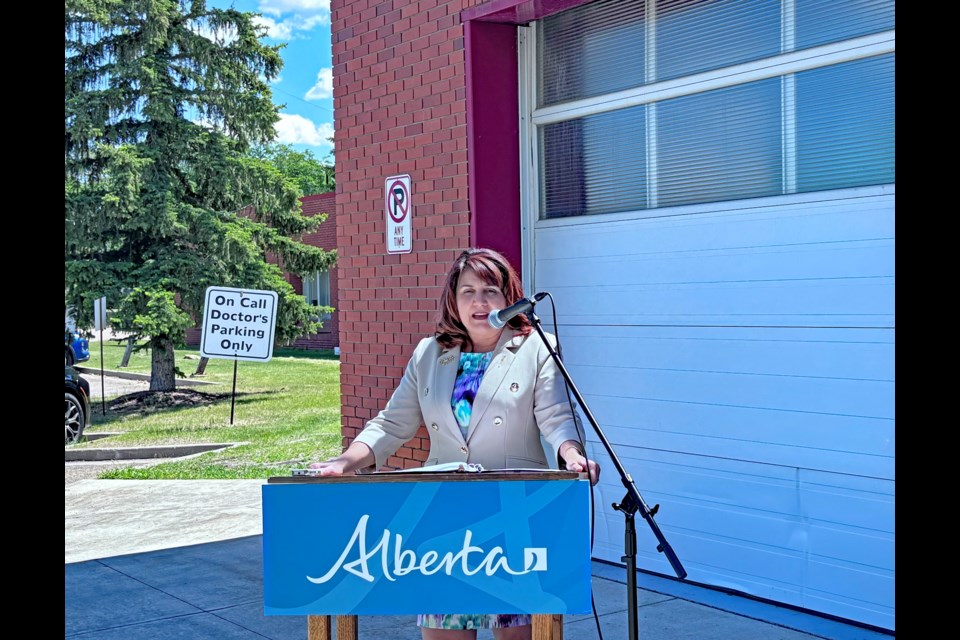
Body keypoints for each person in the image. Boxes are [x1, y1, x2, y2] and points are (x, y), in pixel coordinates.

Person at [309, 247, 600, 640]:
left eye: (490, 291)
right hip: (443, 523)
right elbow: (393, 423)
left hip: (511, 520)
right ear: (453, 299)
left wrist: (571, 455)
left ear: (509, 296)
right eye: (468, 291)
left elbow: (557, 416)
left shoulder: (536, 348)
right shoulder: (430, 353)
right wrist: (346, 462)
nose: (480, 302)